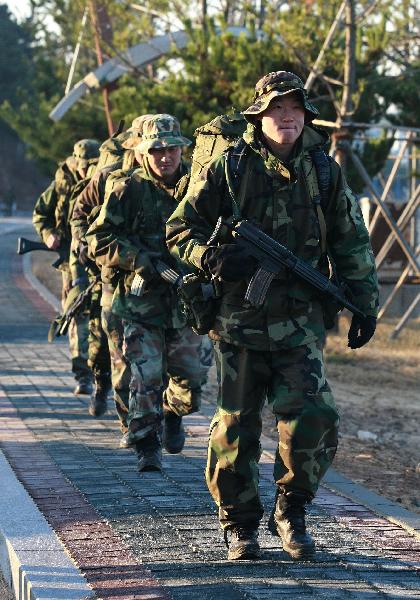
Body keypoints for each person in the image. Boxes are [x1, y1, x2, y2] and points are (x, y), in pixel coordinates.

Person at [166, 71, 379, 561]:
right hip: (239, 321)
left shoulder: (324, 171)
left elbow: (350, 242)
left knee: (314, 416)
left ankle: (292, 509)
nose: (286, 116)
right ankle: (239, 525)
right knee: (237, 426)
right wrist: (212, 258)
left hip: (300, 322)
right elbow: (179, 230)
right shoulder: (228, 168)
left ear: (305, 117)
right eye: (276, 109)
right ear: (258, 117)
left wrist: (365, 305)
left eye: (295, 109)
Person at [86, 114, 211, 471]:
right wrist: (140, 260)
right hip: (140, 303)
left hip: (187, 302)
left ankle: (173, 412)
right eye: (156, 150)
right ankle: (147, 444)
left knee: (193, 378)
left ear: (180, 149)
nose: (164, 157)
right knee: (145, 375)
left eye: (171, 149)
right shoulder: (128, 189)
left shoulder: (198, 186)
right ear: (143, 154)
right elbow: (98, 237)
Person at [71, 116, 150, 440]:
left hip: (153, 281)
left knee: (148, 353)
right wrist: (82, 245)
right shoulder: (106, 176)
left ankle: (154, 415)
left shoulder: (171, 174)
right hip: (110, 274)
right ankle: (105, 386)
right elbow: (79, 214)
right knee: (111, 343)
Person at [33, 138, 100, 395]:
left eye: (90, 165)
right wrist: (48, 233)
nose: (85, 169)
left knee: (101, 320)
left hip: (100, 259)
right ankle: (82, 374)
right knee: (76, 313)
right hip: (69, 263)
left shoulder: (103, 182)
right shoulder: (61, 183)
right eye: (82, 165)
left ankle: (99, 370)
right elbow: (40, 213)